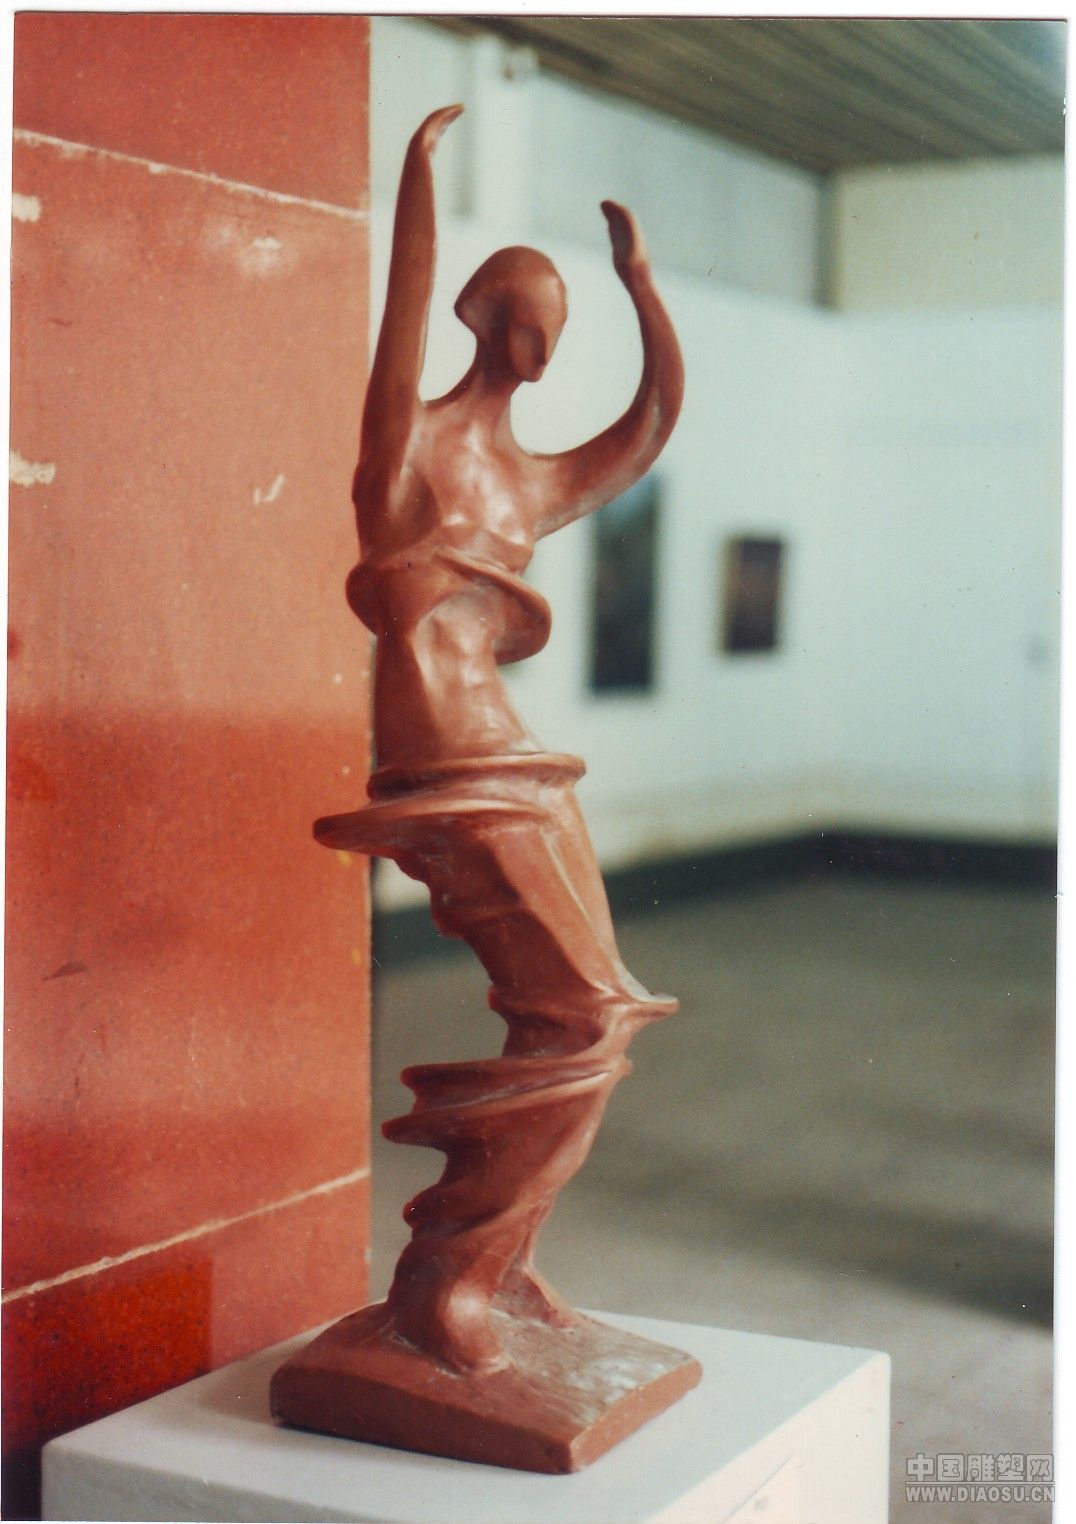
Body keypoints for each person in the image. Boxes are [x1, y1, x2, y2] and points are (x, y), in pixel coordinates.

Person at [348, 103, 684, 769]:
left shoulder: (531, 481)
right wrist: (419, 171)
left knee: (555, 827)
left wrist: (641, 286)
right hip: (427, 709)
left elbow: (649, 425)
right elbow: (407, 299)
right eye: (533, 326)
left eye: (554, 331)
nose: (546, 350)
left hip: (487, 712)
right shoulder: (410, 438)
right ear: (488, 317)